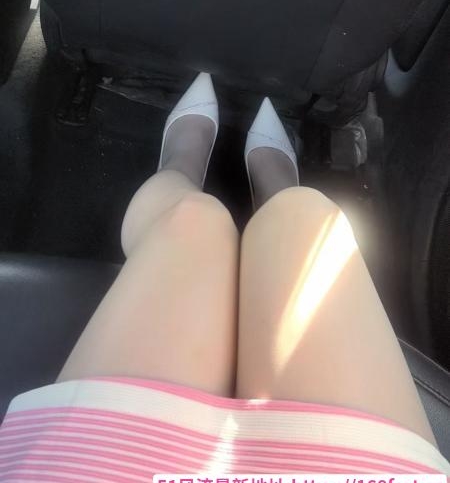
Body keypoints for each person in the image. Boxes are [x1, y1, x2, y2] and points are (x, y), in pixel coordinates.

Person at [0, 73, 449, 481]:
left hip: (107, 464)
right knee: (311, 219)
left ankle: (181, 166)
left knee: (193, 221)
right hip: (351, 467)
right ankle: (276, 190)